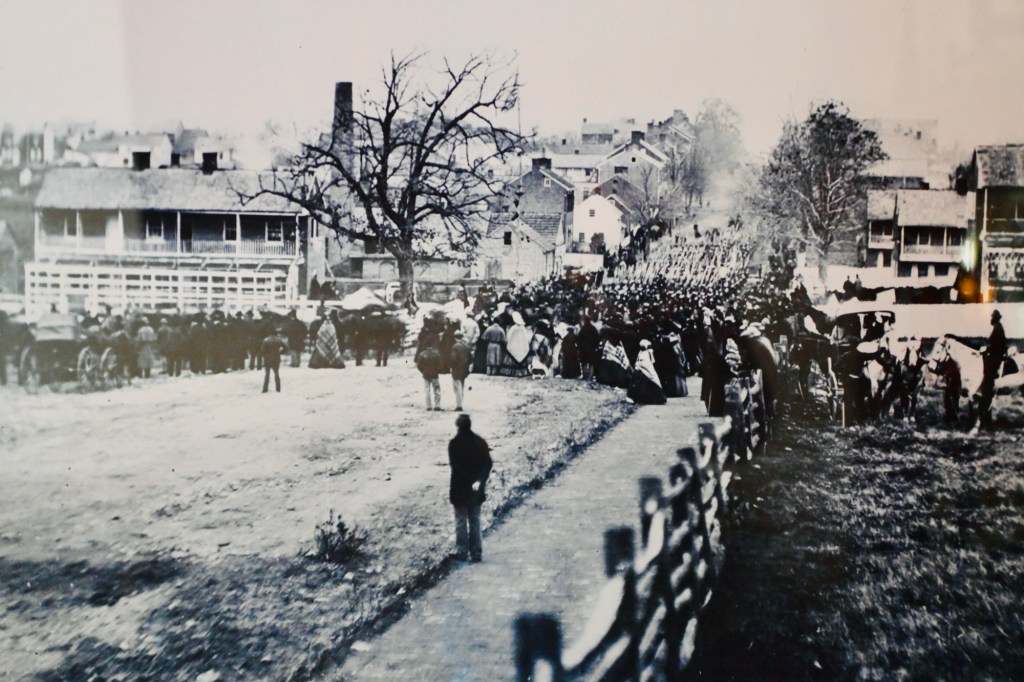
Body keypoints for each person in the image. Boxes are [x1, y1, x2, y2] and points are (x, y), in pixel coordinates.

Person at [448, 414, 492, 562]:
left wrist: (467, 480)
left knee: (460, 521)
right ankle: (476, 552)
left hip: (459, 489)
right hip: (475, 489)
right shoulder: (480, 442)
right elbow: (488, 464)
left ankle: (462, 551)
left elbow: (456, 467)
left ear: (458, 426)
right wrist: (480, 481)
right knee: (475, 520)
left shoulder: (454, 444)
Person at [977, 309, 1008, 429]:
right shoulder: (998, 327)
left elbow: (997, 345)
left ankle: (987, 387)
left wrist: (987, 349)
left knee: (988, 379)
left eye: (992, 317)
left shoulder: (998, 328)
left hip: (996, 357)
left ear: (995, 318)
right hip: (996, 355)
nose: (991, 319)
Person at [416, 336, 443, 411]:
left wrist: (423, 371)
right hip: (434, 374)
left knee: (427, 390)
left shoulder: (422, 354)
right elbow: (440, 365)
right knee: (437, 390)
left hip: (426, 374)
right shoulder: (436, 354)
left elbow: (418, 366)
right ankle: (437, 405)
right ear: (432, 345)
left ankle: (428, 406)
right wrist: (436, 370)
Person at [260, 328, 289, 393]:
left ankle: (265, 389)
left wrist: (265, 355)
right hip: (276, 358)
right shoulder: (278, 340)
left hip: (268, 359)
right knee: (276, 373)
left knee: (267, 374)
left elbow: (262, 351)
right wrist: (280, 352)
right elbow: (286, 348)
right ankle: (278, 388)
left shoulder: (266, 340)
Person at [449, 329, 472, 411]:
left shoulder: (455, 347)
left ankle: (459, 405)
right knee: (461, 386)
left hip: (456, 369)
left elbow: (453, 359)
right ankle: (460, 403)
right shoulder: (466, 346)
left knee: (457, 387)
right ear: (462, 337)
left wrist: (451, 366)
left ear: (455, 337)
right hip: (464, 369)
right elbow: (470, 359)